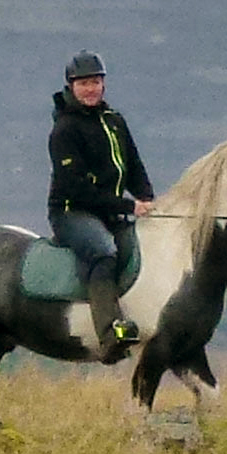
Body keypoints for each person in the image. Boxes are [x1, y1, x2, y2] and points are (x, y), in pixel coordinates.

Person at [48, 50, 154, 362]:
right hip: (72, 212)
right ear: (71, 86)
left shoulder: (114, 121)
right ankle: (109, 335)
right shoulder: (64, 130)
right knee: (103, 250)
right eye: (83, 83)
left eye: (95, 82)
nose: (91, 89)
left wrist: (147, 198)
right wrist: (128, 206)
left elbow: (134, 166)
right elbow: (77, 189)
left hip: (110, 212)